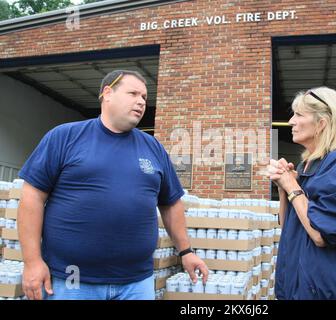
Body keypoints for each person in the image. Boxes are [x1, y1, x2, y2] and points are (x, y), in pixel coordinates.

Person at [17, 70, 208, 300]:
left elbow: (171, 203)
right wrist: (32, 261)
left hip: (137, 282)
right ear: (107, 93)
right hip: (74, 278)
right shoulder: (65, 137)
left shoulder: (153, 148)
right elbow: (32, 197)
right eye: (133, 93)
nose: (141, 101)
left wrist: (185, 251)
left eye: (144, 97)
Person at [267, 87, 336, 300]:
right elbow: (289, 226)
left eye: (299, 115)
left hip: (322, 291)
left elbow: (321, 235)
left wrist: (292, 187)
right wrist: (283, 188)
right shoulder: (307, 165)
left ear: (322, 124)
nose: (291, 121)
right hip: (297, 287)